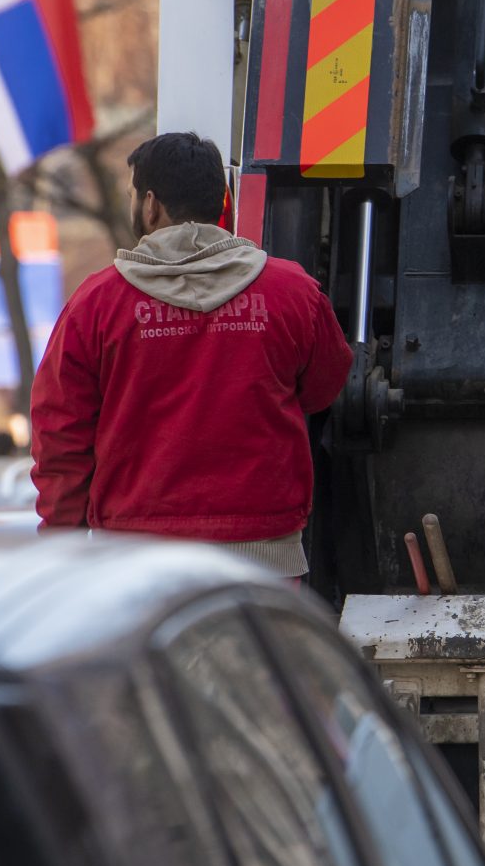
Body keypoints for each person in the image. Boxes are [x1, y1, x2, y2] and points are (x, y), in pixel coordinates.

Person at [31, 132, 352, 578]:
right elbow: (323, 389)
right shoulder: (293, 293)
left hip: (136, 563)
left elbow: (61, 437)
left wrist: (62, 551)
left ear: (150, 205)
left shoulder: (96, 305)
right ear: (222, 201)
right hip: (263, 562)